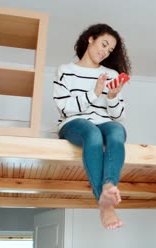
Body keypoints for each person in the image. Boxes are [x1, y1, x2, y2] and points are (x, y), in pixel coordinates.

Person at [53, 23, 131, 229]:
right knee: (93, 134)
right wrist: (94, 93)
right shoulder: (65, 71)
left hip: (104, 122)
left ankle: (108, 186)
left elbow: (119, 116)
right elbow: (64, 108)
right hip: (73, 123)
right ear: (90, 39)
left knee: (116, 130)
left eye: (110, 50)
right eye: (103, 44)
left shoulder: (112, 74)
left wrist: (112, 97)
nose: (105, 52)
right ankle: (105, 205)